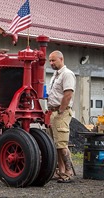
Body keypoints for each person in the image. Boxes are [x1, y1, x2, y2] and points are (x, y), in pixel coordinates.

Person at [47, 50, 76, 183]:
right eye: (50, 61)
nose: (51, 63)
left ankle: (69, 173)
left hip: (61, 113)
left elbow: (68, 94)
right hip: (53, 112)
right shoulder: (55, 75)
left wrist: (60, 111)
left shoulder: (67, 74)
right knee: (56, 144)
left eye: (53, 60)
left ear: (61, 59)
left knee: (62, 143)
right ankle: (61, 172)